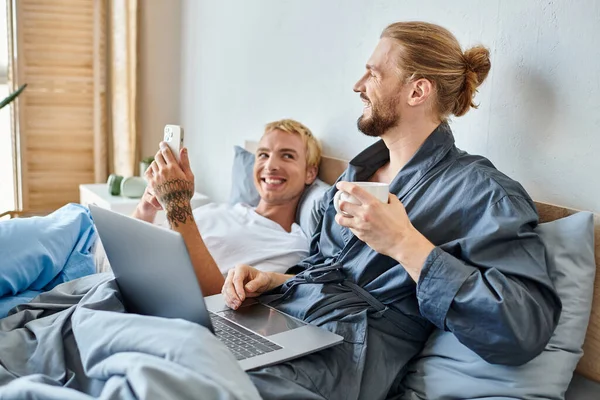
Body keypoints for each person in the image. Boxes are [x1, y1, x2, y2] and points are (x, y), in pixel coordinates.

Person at [219, 21, 562, 399]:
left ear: (417, 90)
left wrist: (403, 243)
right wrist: (275, 281)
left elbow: (523, 329)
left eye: (374, 73)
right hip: (280, 322)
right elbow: (324, 268)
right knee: (166, 338)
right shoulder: (356, 174)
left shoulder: (483, 193)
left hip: (333, 358)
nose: (358, 85)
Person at [132, 119, 322, 296]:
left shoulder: (291, 246)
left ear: (310, 173)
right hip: (133, 279)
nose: (270, 165)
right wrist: (145, 209)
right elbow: (132, 249)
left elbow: (217, 299)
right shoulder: (218, 209)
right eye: (263, 154)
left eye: (287, 156)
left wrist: (177, 202)